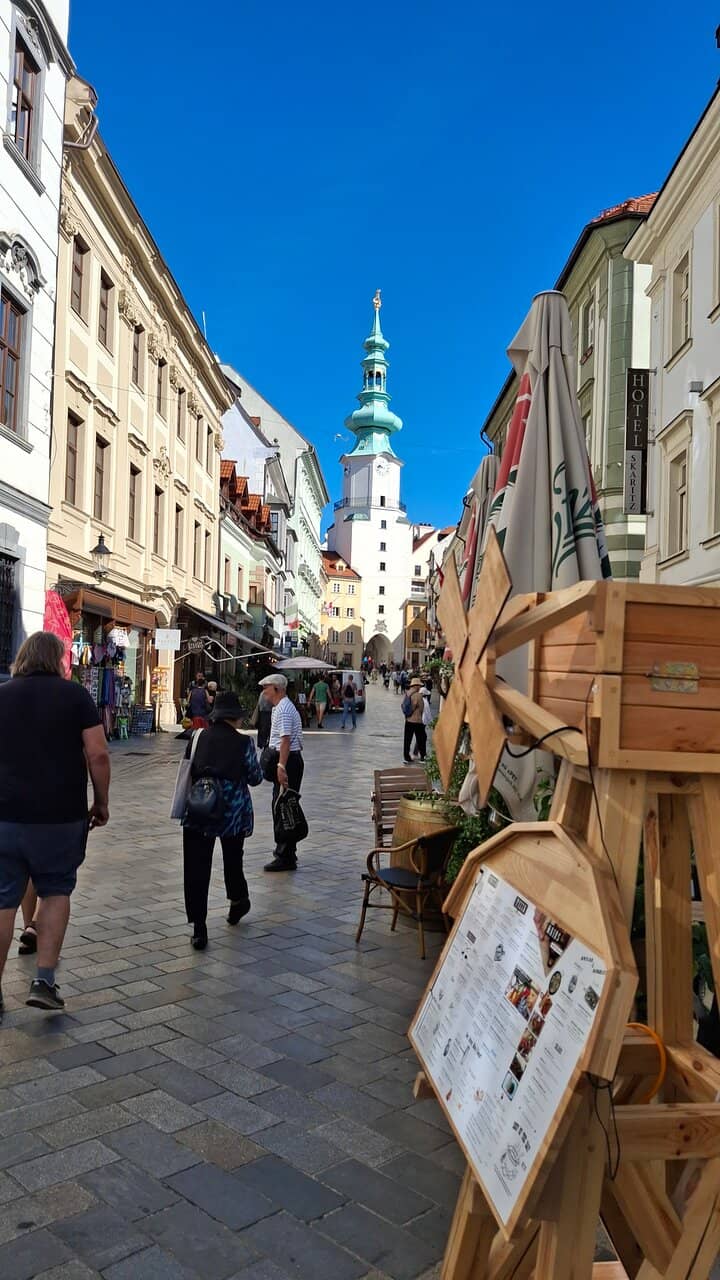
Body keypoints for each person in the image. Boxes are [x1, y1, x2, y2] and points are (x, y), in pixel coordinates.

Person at [0, 632, 110, 1017]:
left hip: (6, 815)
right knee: (56, 892)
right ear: (58, 659)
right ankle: (44, 981)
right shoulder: (74, 696)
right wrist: (101, 801)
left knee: (2, 900)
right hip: (60, 816)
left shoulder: (3, 694)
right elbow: (97, 754)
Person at [181, 691, 263, 950]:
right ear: (236, 718)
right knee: (232, 858)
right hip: (232, 811)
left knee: (196, 865)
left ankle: (199, 927)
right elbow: (255, 777)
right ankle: (238, 900)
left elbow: (187, 770)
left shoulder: (197, 737)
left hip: (200, 807)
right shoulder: (244, 744)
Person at [259, 673, 304, 872]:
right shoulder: (281, 707)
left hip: (288, 761)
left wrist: (281, 766)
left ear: (277, 689)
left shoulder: (284, 709)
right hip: (288, 760)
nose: (264, 692)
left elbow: (285, 740)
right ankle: (288, 852)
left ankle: (284, 855)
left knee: (282, 807)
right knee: (285, 805)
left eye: (266, 688)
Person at [403, 676, 427, 764]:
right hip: (417, 720)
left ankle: (406, 756)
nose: (420, 687)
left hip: (408, 720)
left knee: (407, 739)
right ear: (416, 685)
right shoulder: (418, 695)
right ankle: (423, 756)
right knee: (421, 738)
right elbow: (421, 708)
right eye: (419, 686)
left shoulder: (408, 694)